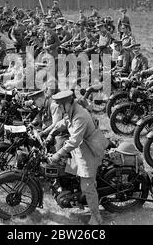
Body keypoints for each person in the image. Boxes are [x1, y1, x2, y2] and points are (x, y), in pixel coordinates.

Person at [48, 90, 110, 225]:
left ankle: (96, 217)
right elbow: (62, 123)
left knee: (87, 186)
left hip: (90, 151)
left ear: (67, 104)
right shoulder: (71, 111)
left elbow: (75, 140)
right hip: (81, 150)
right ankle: (79, 198)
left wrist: (58, 154)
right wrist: (49, 133)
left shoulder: (79, 115)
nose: (58, 108)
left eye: (60, 105)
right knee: (70, 173)